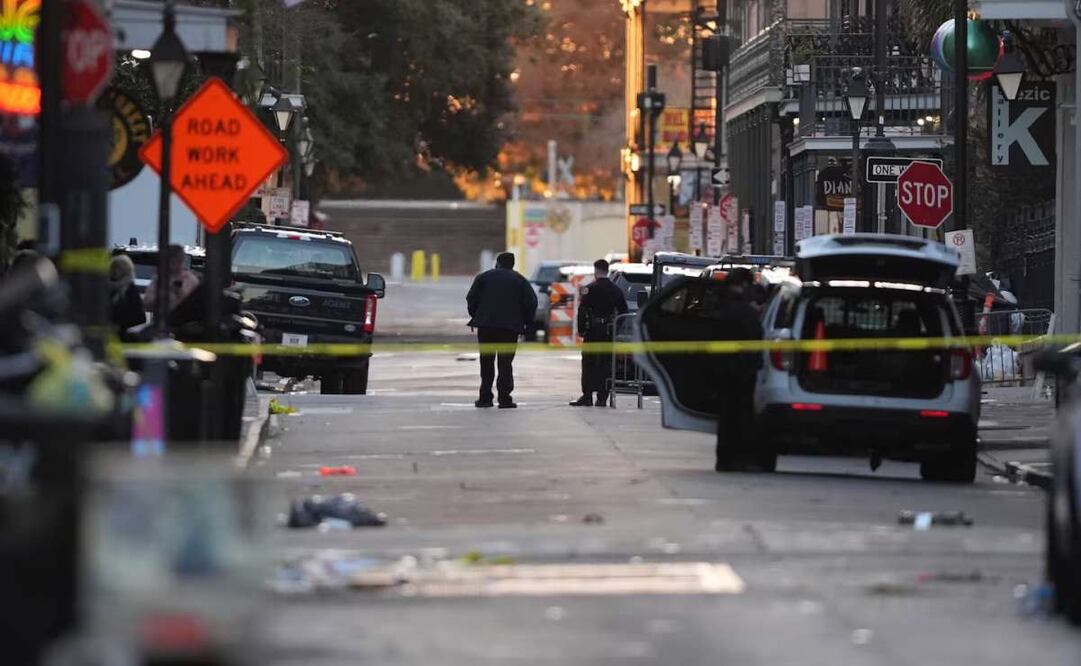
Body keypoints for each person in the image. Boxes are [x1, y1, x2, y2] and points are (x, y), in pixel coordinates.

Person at [466, 252, 537, 409]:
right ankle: (504, 399)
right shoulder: (520, 280)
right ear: (512, 264)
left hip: (486, 327)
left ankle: (485, 398)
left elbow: (471, 298)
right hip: (509, 328)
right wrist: (525, 322)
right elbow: (531, 302)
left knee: (486, 362)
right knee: (505, 363)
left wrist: (478, 315)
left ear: (497, 263)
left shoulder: (483, 277)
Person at [712, 268, 766, 472]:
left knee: (726, 415)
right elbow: (755, 336)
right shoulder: (745, 311)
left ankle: (724, 458)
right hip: (743, 370)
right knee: (742, 414)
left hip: (724, 369)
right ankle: (738, 458)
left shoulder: (720, 307)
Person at [570, 259, 627, 407]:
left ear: (595, 270)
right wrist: (615, 327)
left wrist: (582, 329)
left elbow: (582, 311)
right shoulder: (616, 290)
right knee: (606, 363)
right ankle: (602, 398)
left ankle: (587, 396)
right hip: (608, 331)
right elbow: (624, 312)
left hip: (592, 331)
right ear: (607, 271)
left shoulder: (589, 289)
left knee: (589, 362)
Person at [144, 244, 199, 312]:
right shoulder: (159, 279)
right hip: (162, 319)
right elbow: (147, 304)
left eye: (179, 261)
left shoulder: (190, 279)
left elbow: (196, 307)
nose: (176, 265)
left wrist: (180, 294)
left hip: (184, 320)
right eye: (172, 262)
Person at [108, 254, 146, 337]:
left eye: (118, 268)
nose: (115, 271)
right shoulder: (108, 288)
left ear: (126, 270)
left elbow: (138, 318)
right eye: (113, 268)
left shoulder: (131, 291)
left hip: (127, 333)